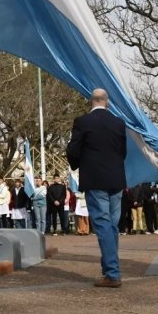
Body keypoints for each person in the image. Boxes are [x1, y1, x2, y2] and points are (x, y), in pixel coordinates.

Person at [66, 88, 127, 288]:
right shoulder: (118, 123)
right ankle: (110, 269)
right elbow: (123, 152)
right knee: (112, 226)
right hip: (116, 180)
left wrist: (77, 164)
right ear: (107, 102)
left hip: (95, 179)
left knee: (103, 225)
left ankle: (112, 273)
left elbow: (73, 150)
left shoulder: (83, 122)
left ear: (91, 101)